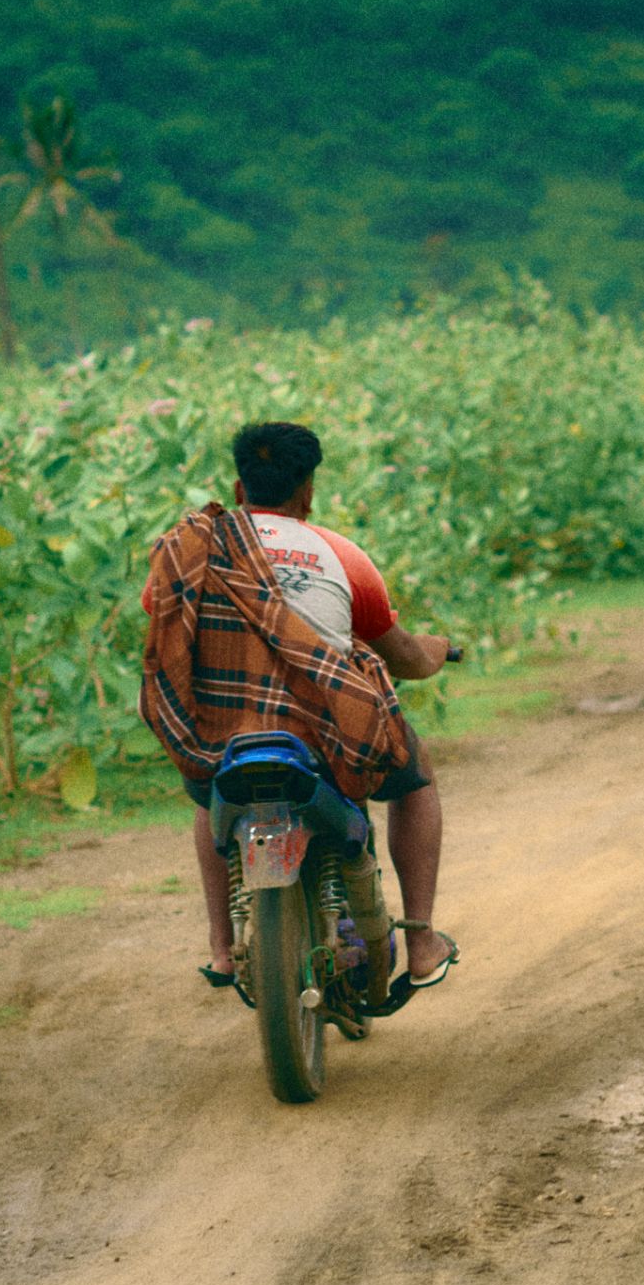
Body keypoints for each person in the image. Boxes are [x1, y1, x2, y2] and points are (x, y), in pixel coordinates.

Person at [140, 420, 459, 1005]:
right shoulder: (342, 557)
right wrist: (437, 650)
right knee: (416, 780)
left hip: (223, 737)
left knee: (205, 787)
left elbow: (163, 621)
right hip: (322, 736)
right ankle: (421, 945)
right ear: (307, 492)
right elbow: (406, 658)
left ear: (239, 489)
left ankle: (219, 947)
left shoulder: (191, 550)